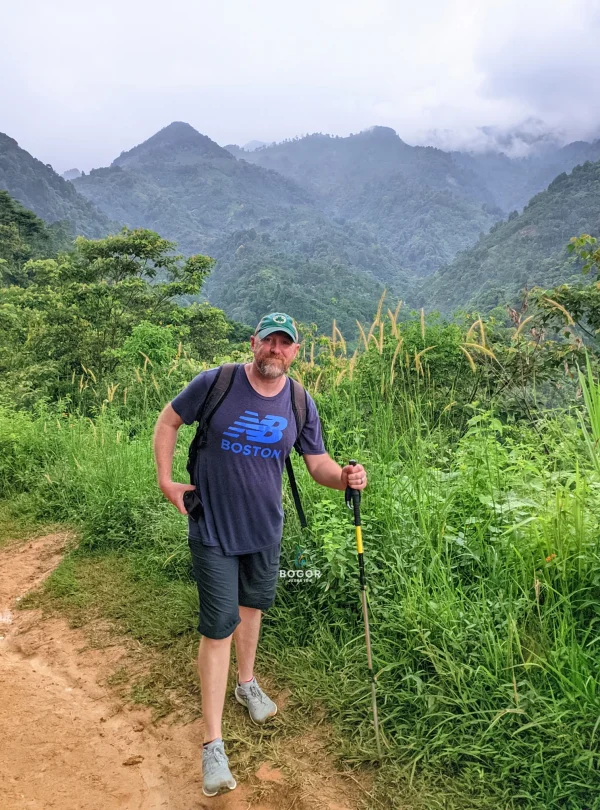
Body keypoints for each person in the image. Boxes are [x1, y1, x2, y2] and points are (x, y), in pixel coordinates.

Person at [153, 312, 367, 797]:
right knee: (218, 625)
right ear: (253, 344)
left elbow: (318, 466)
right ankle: (212, 745)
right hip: (211, 523)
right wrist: (167, 482)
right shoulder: (217, 383)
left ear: (295, 352)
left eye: (284, 343)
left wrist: (346, 478)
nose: (275, 348)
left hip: (265, 530)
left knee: (253, 609)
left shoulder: (298, 401)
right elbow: (167, 421)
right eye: (267, 340)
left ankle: (246, 684)